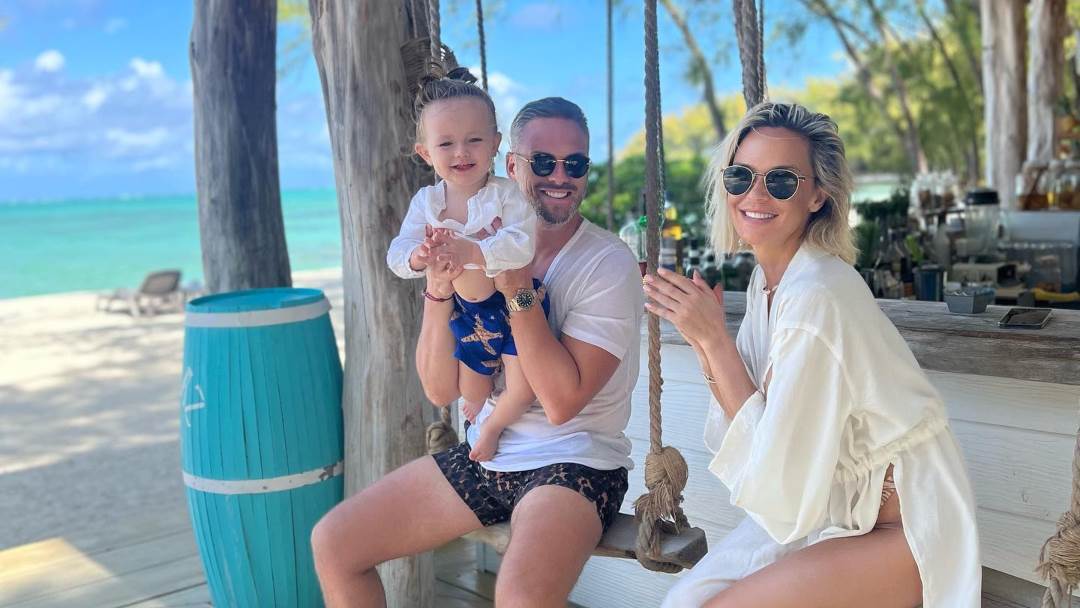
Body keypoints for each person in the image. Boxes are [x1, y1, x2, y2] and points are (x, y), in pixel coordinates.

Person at [312, 97, 645, 607]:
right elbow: (438, 389)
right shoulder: (464, 237)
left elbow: (561, 404)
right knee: (335, 543)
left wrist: (514, 285)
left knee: (520, 597)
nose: (560, 176)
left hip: (574, 461)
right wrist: (437, 289)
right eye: (543, 162)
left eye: (575, 163)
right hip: (485, 457)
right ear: (510, 165)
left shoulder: (606, 263)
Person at [645, 102, 980, 607]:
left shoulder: (818, 296)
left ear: (818, 195)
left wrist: (714, 341)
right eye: (741, 176)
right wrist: (702, 340)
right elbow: (752, 421)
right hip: (831, 507)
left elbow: (781, 489)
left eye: (781, 180)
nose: (755, 194)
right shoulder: (769, 283)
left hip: (905, 526)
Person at [386, 67, 547, 462]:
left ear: (494, 144)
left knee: (522, 389)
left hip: (515, 309)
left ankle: (493, 428)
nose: (461, 152)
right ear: (426, 153)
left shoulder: (505, 195)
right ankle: (481, 423)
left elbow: (522, 244)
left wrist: (472, 252)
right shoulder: (426, 203)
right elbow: (397, 252)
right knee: (473, 392)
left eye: (474, 140)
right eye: (446, 143)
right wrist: (418, 256)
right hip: (470, 315)